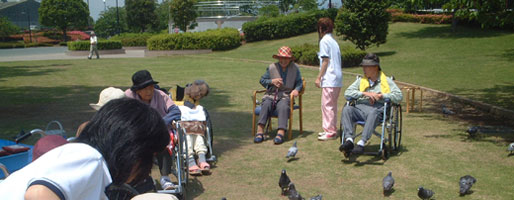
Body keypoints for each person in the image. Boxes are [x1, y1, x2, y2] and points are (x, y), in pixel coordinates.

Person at [0, 98, 170, 200]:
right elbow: (38, 195)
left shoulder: (96, 171)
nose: (146, 172)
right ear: (134, 151)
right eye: (149, 158)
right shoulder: (89, 157)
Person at [125, 69, 181, 190]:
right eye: (144, 88)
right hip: (138, 133)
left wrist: (160, 122)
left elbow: (176, 111)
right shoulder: (128, 96)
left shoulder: (160, 95)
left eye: (150, 87)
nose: (149, 91)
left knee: (164, 143)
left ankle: (165, 178)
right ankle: (141, 178)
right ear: (137, 90)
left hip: (161, 130)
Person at [339, 53, 403, 156]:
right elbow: (347, 93)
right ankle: (349, 140)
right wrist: (365, 93)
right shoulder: (361, 81)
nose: (363, 69)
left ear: (375, 67)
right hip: (360, 109)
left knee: (373, 112)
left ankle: (361, 143)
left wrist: (382, 96)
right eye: (363, 66)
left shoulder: (386, 81)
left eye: (366, 66)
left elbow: (399, 96)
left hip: (378, 109)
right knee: (347, 109)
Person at [254, 46, 302, 145]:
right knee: (266, 103)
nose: (283, 60)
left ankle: (281, 132)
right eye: (281, 58)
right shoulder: (271, 67)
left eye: (286, 58)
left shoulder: (295, 68)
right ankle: (260, 131)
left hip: (286, 95)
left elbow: (299, 82)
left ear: (289, 59)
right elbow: (262, 80)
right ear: (278, 58)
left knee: (283, 106)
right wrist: (272, 81)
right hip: (271, 94)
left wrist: (296, 90)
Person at [315, 18, 343, 141]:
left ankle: (330, 131)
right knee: (332, 105)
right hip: (337, 78)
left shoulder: (324, 41)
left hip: (330, 78)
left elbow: (325, 60)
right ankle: (330, 129)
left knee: (327, 105)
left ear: (321, 29)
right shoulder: (333, 41)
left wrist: (319, 77)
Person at [178, 80, 211, 175]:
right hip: (181, 121)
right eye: (198, 96)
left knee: (199, 136)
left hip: (194, 123)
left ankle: (201, 158)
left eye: (201, 96)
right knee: (187, 137)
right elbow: (168, 102)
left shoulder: (195, 99)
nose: (199, 98)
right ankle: (190, 160)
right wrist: (182, 104)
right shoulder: (177, 91)